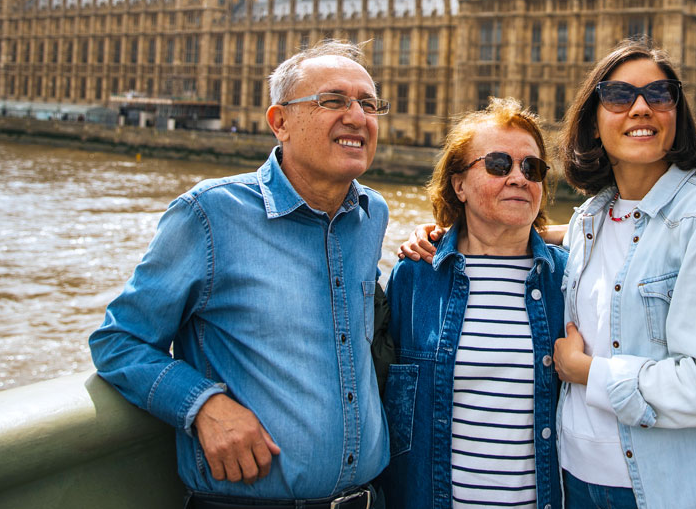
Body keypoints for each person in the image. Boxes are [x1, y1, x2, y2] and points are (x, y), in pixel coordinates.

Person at [90, 40, 391, 508]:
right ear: (280, 122)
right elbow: (118, 341)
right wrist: (200, 403)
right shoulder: (210, 214)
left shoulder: (372, 214)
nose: (357, 116)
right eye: (333, 101)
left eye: (368, 104)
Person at [553, 40, 696, 509]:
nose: (641, 107)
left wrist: (587, 372)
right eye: (619, 96)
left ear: (676, 115)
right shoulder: (587, 220)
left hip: (659, 488)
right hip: (568, 478)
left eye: (660, 95)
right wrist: (455, 230)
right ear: (593, 123)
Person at [383, 97, 566, 509]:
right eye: (499, 164)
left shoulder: (570, 279)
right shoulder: (414, 275)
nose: (519, 177)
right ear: (458, 184)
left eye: (532, 168)